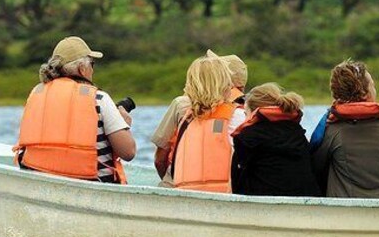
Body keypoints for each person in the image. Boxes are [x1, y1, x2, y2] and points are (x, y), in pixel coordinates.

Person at [15, 36, 136, 184]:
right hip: (92, 183)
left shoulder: (36, 95)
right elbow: (128, 152)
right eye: (92, 64)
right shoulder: (99, 98)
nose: (92, 69)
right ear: (82, 68)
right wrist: (124, 125)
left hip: (39, 180)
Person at [311, 60, 379, 199]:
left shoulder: (331, 130)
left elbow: (317, 167)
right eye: (373, 85)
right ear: (365, 94)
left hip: (347, 207)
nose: (375, 89)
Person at [151, 49, 248, 184]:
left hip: (179, 184)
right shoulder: (243, 112)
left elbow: (159, 160)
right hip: (224, 189)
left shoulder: (183, 106)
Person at [230, 83, 321, 197]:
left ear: (253, 112)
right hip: (304, 203)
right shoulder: (297, 133)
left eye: (245, 113)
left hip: (265, 206)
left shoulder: (247, 138)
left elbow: (238, 183)